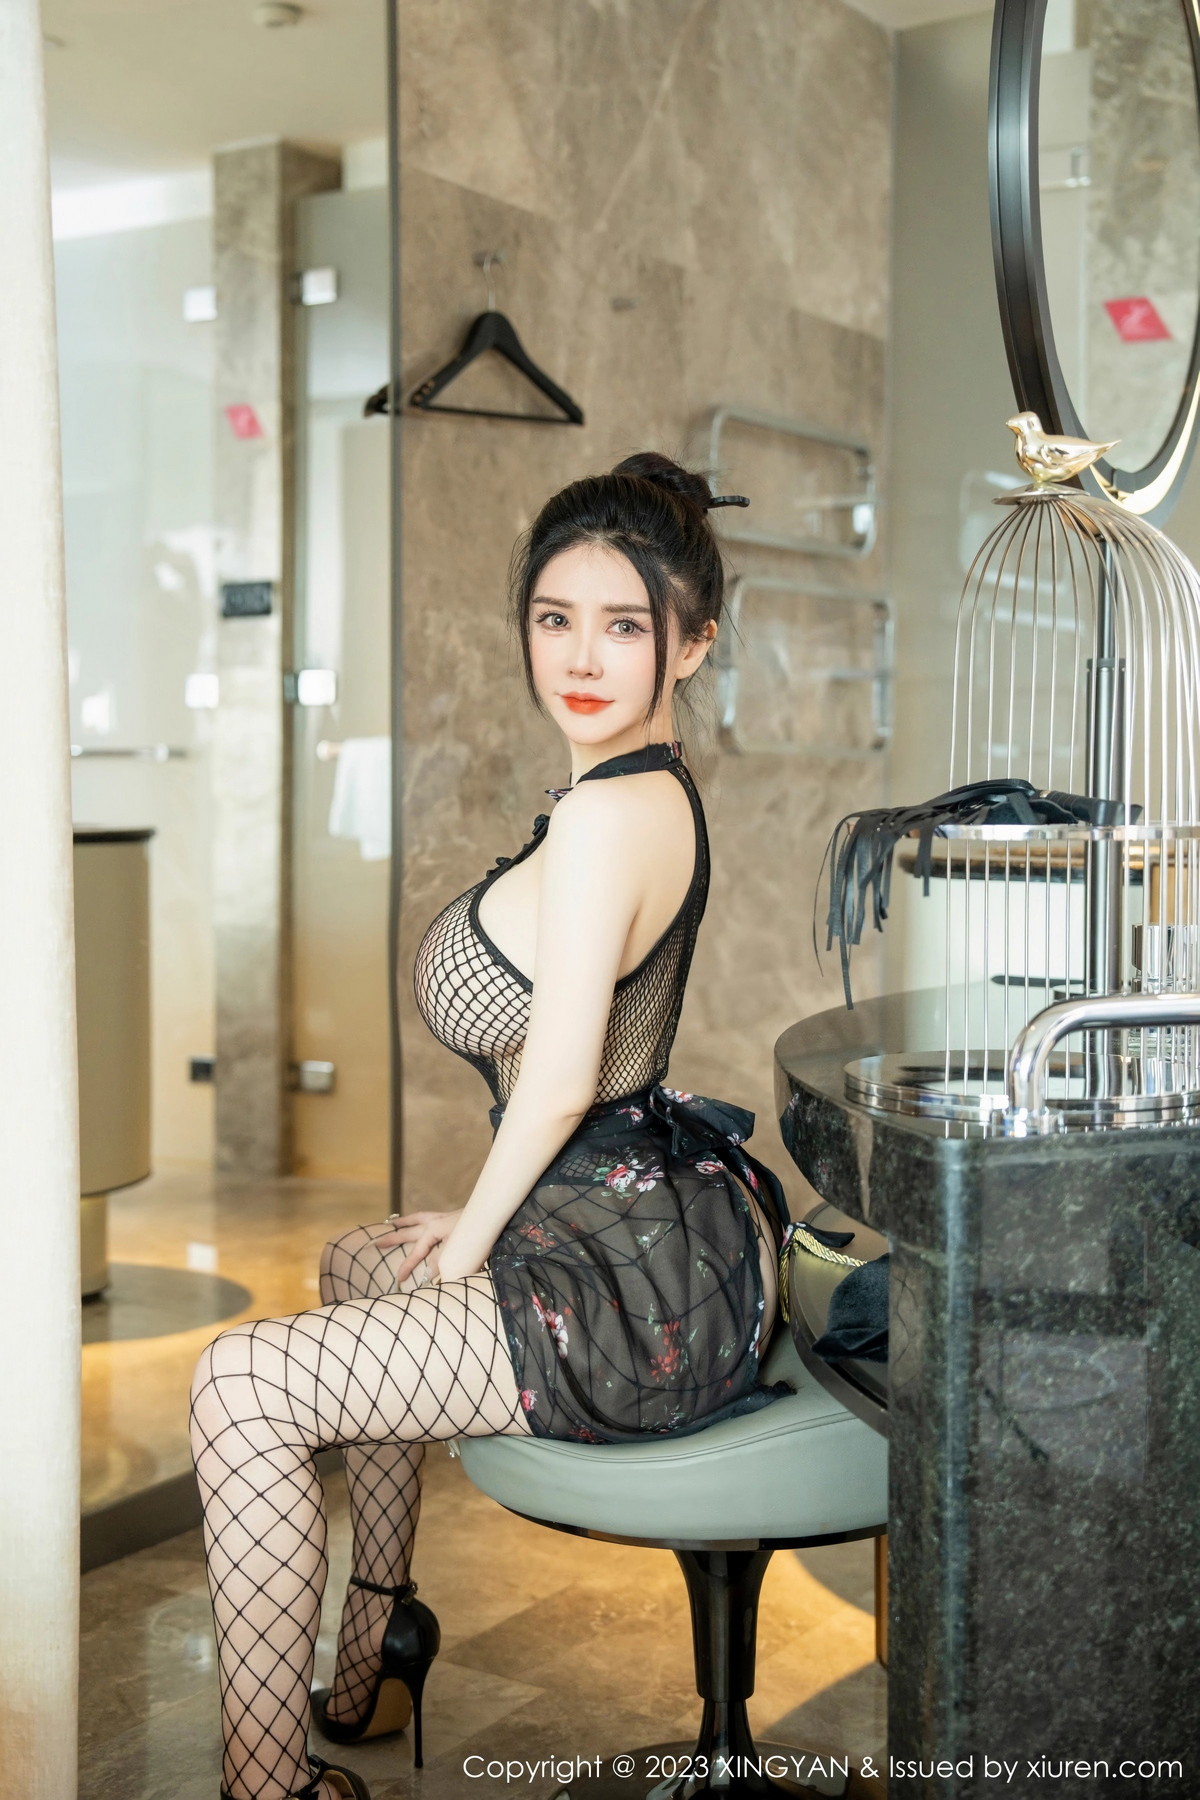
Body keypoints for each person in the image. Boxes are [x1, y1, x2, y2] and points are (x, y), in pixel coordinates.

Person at [189, 452, 794, 1800]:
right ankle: (375, 1643)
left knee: (242, 1389)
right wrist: (467, 1223)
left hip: (641, 1283)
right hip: (638, 1213)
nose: (580, 656)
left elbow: (562, 1080)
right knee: (362, 1264)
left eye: (625, 626)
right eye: (554, 618)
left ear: (693, 644)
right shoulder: (632, 791)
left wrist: (468, 1250)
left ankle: (267, 1787)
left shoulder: (611, 817)